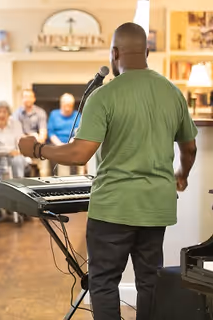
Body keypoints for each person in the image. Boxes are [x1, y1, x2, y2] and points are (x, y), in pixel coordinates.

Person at [18, 22, 197, 320]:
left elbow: (79, 152)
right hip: (156, 207)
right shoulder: (172, 93)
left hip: (113, 208)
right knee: (150, 281)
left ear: (114, 53)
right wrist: (182, 175)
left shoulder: (103, 96)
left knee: (103, 283)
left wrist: (36, 149)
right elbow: (189, 149)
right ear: (147, 51)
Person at [13, 89, 49, 176]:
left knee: (45, 152)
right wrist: (31, 136)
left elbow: (43, 134)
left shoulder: (41, 112)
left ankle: (43, 180)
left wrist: (36, 139)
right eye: (25, 97)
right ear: (22, 99)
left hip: (37, 143)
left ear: (34, 99)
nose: (28, 99)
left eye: (30, 97)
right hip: (21, 145)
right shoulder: (16, 114)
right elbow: (17, 135)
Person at [47, 93, 83, 176]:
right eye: (65, 105)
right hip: (56, 142)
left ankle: (72, 178)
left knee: (74, 151)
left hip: (71, 142)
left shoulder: (77, 115)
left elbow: (79, 132)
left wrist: (71, 141)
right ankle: (54, 178)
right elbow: (50, 132)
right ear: (61, 104)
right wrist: (59, 144)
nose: (67, 108)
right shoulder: (54, 114)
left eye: (70, 105)